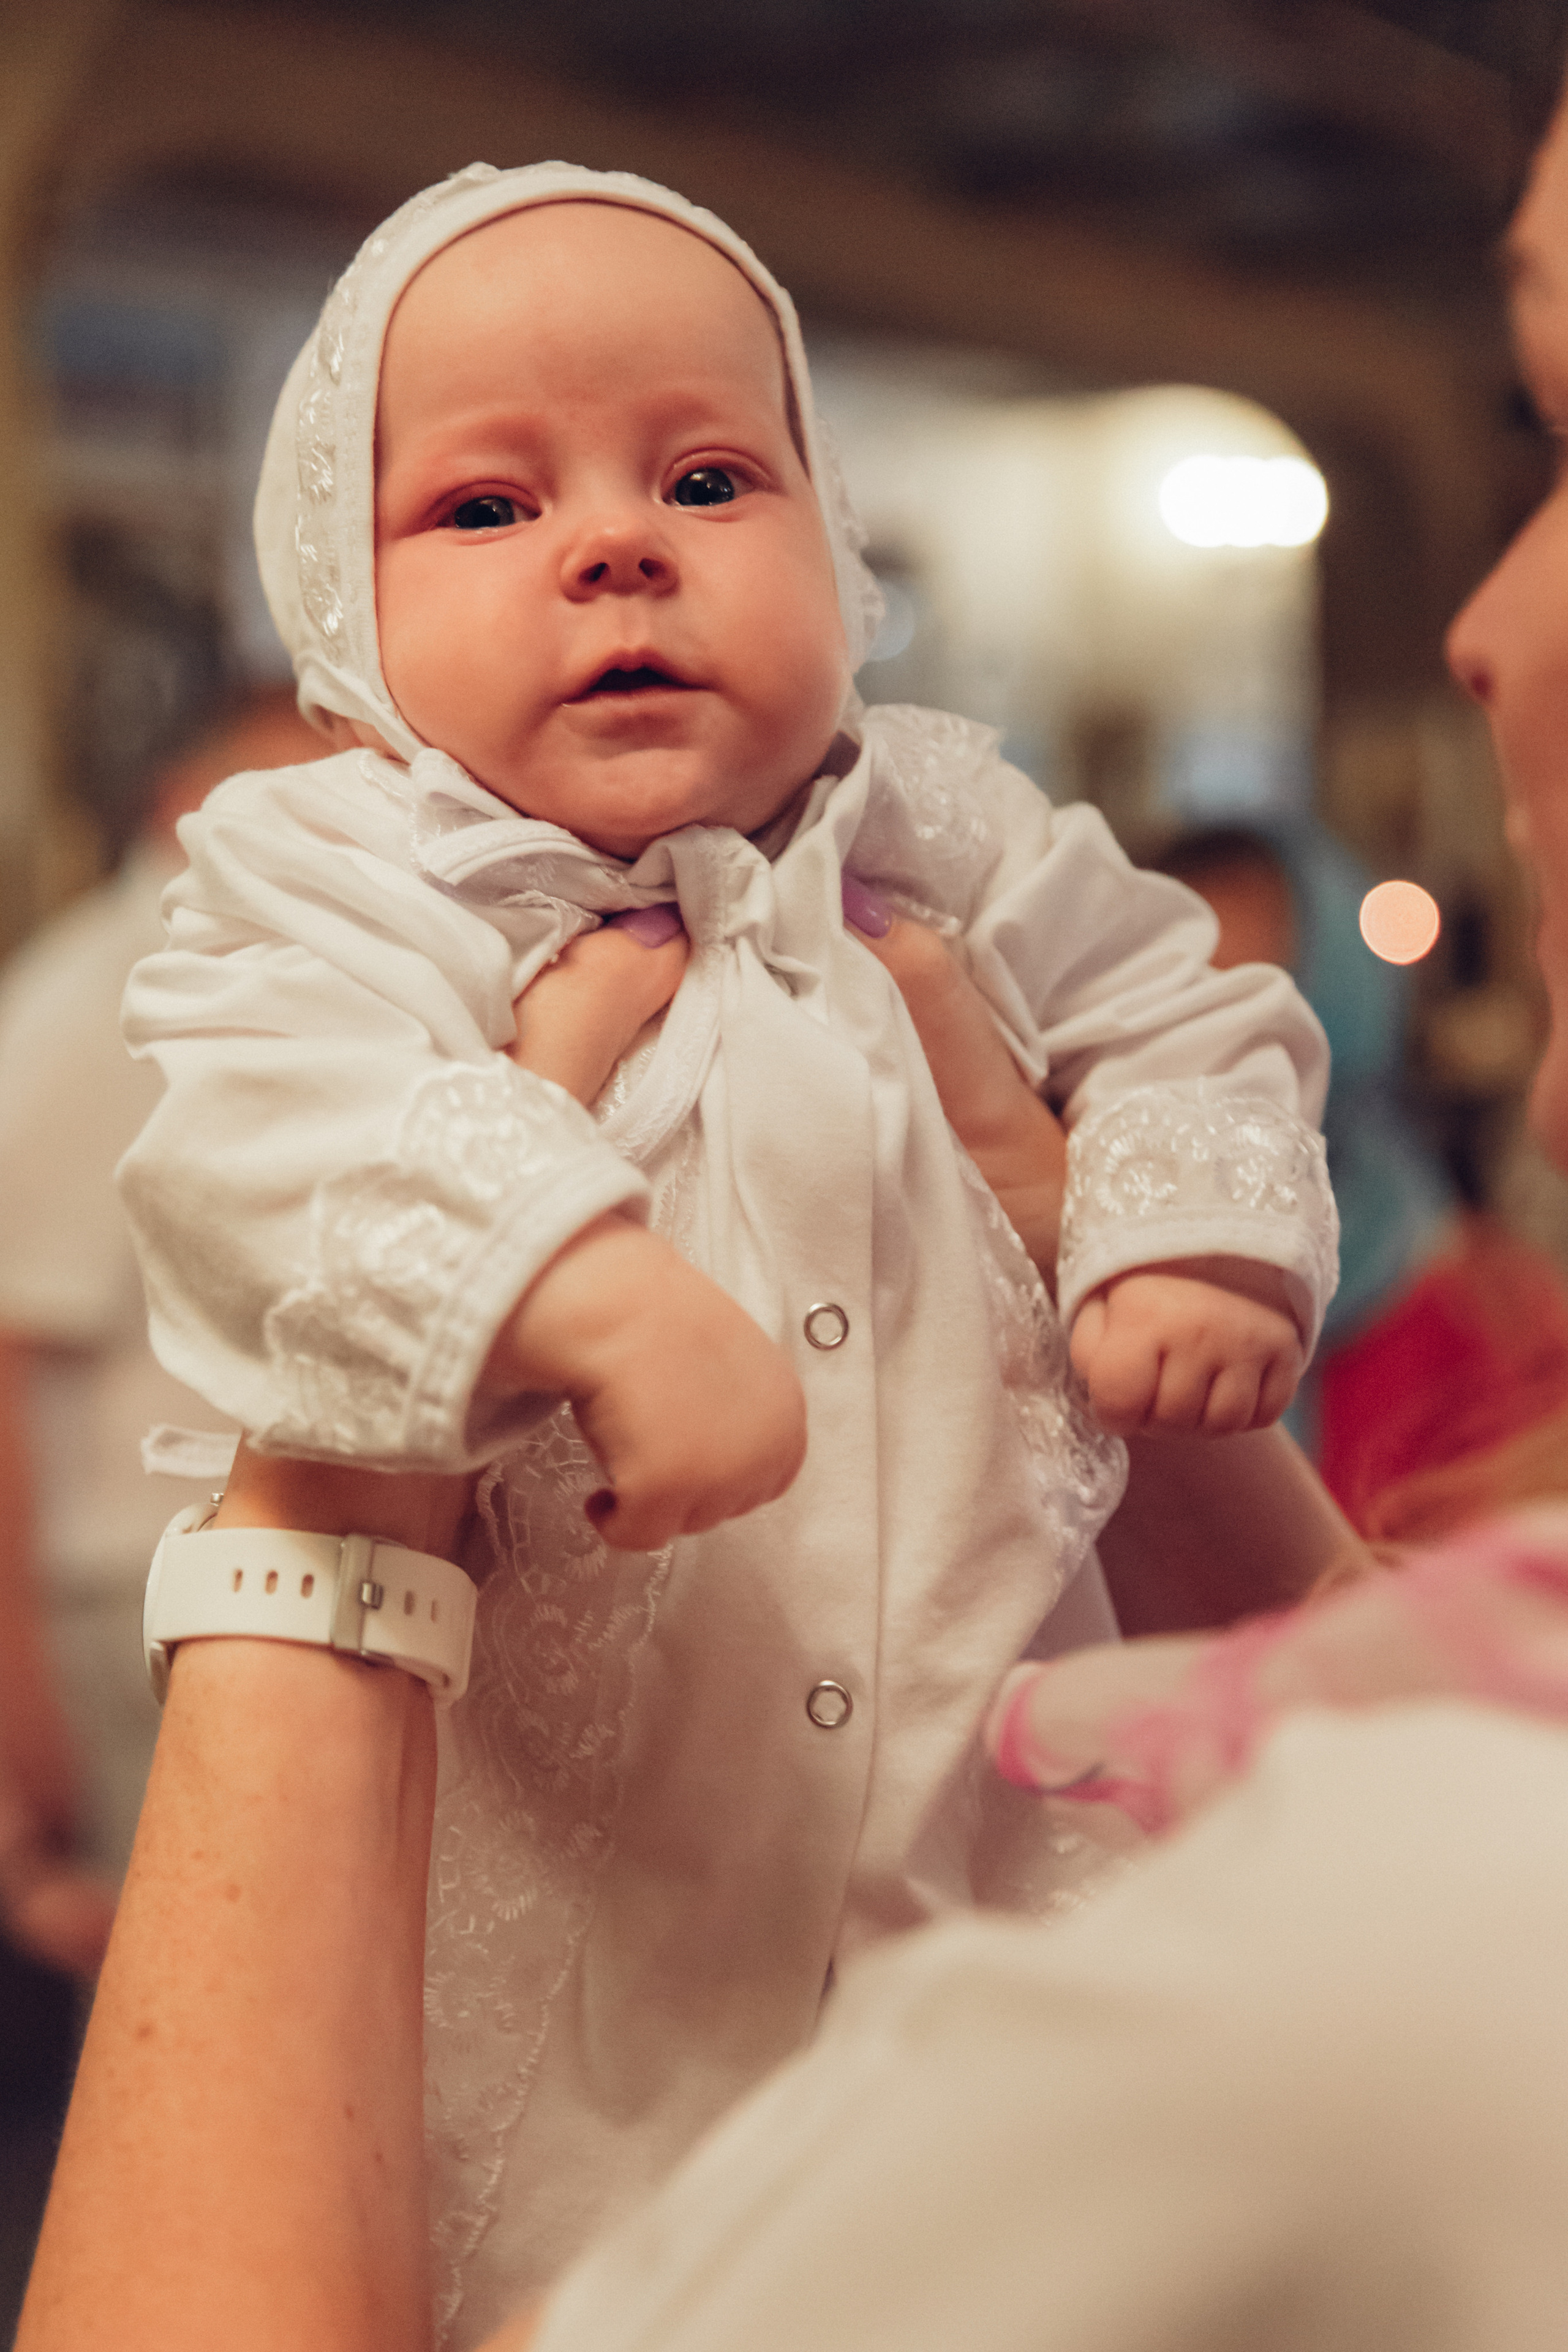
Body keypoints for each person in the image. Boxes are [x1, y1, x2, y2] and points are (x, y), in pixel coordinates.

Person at [109, 163, 1338, 2331]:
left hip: (984, 1889)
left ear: (835, 550)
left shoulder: (943, 827)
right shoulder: (346, 875)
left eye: (703, 474)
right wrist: (574, 1281)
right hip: (601, 1942)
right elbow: (259, 1147)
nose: (614, 544)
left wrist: (1174, 1234)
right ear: (336, 610)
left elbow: (1187, 1003)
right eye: (485, 509)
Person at [0, 686, 317, 1981]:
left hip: (195, 1569)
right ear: (180, 805)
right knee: (181, 2000)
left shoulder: (239, 987)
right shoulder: (101, 1010)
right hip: (116, 1593)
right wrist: (21, 1699)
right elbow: (7, 1350)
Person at [1150, 820, 1568, 1533]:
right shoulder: (1088, 1283)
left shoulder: (1495, 1326)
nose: (1214, 1068)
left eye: (1257, 1011)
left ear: (1341, 1010)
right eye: (1168, 1011)